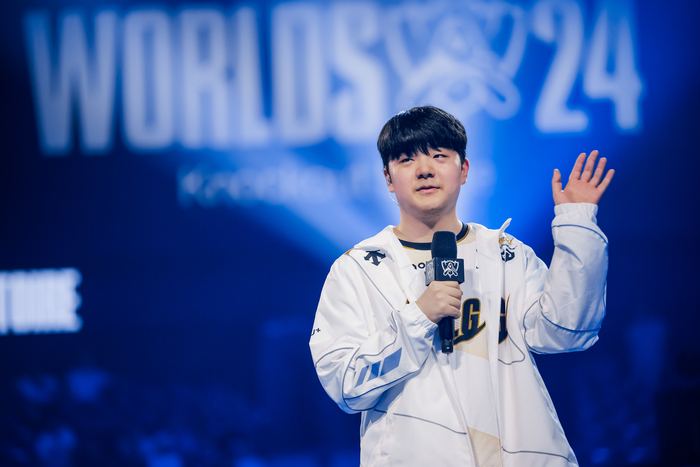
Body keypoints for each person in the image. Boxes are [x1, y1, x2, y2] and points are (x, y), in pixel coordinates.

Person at [309, 106, 613, 466]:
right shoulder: (357, 270)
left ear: (464, 169)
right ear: (388, 178)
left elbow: (567, 332)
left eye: (439, 156)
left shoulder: (505, 254)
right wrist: (419, 317)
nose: (425, 169)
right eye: (406, 159)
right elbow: (345, 385)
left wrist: (577, 227)